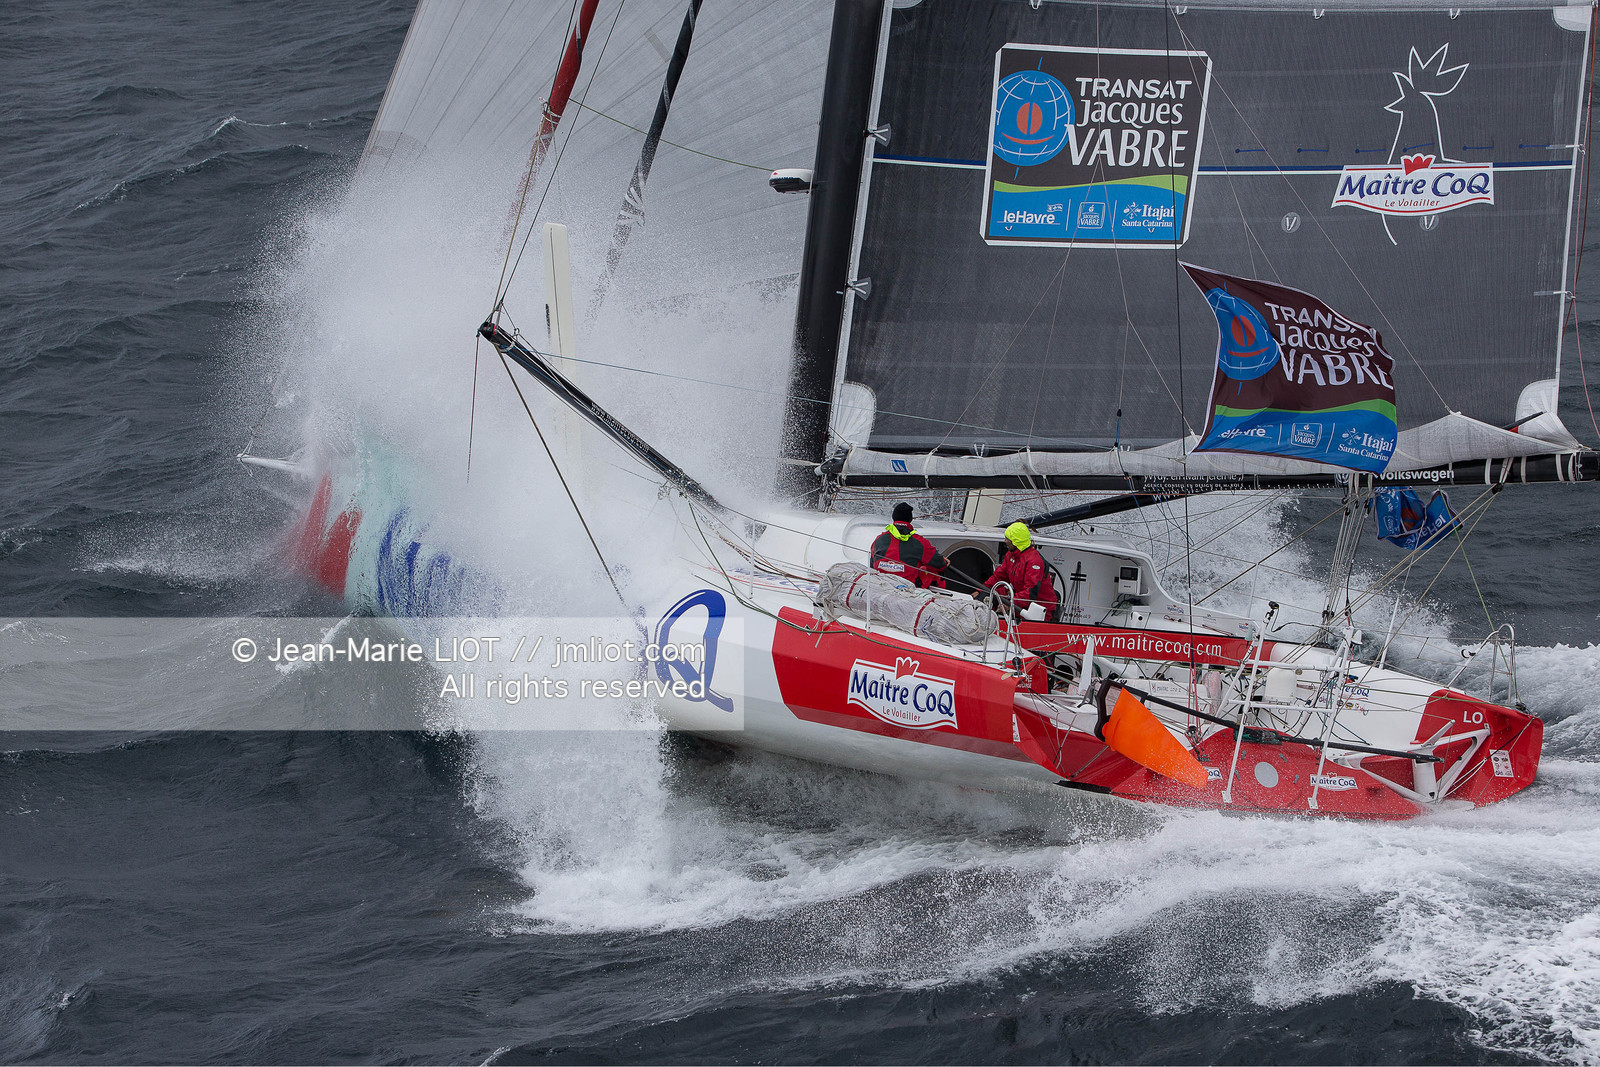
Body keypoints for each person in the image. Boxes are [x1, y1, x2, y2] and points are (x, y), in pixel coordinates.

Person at [976, 522, 1059, 620]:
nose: (1005, 541)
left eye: (1008, 539)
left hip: (1041, 611)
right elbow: (998, 577)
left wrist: (1010, 603)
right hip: (1020, 606)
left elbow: (1031, 592)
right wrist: (981, 590)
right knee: (990, 595)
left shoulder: (1034, 561)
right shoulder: (1011, 555)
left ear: (1016, 541)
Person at [870, 503, 949, 588]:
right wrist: (945, 562)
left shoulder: (878, 539)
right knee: (935, 571)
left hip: (882, 586)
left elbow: (872, 563)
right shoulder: (920, 542)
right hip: (908, 589)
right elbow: (939, 564)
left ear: (893, 517)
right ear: (910, 519)